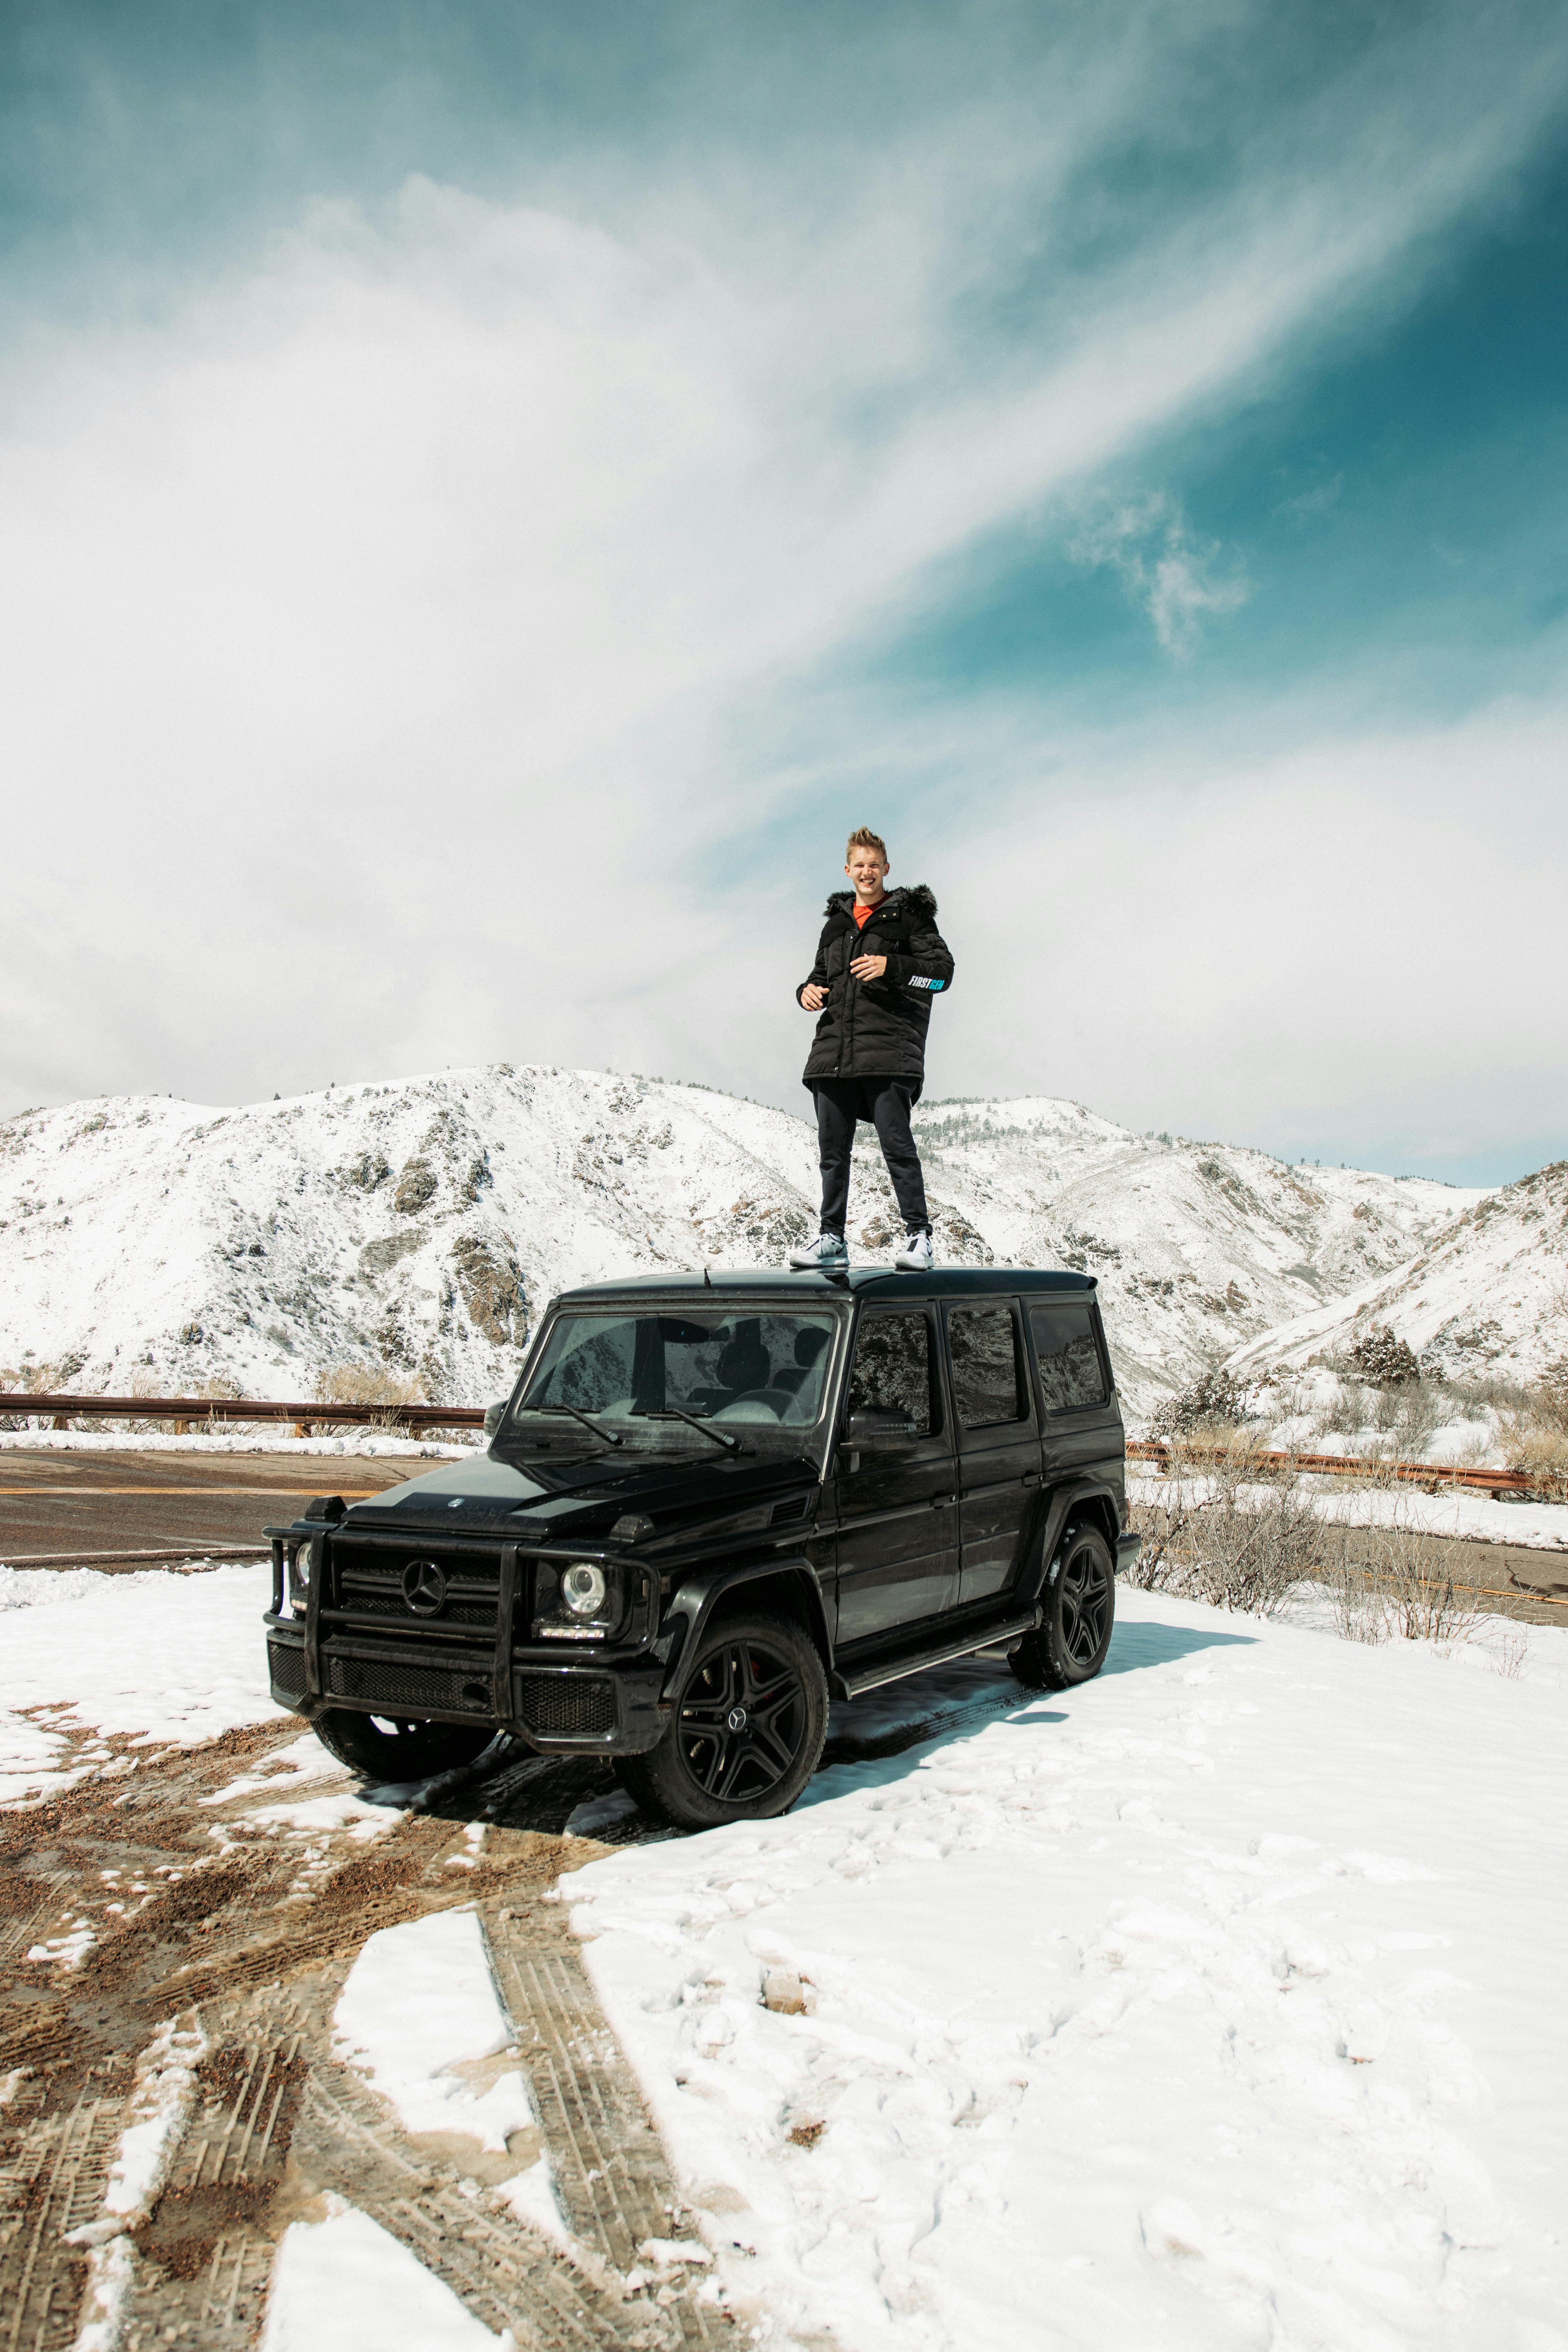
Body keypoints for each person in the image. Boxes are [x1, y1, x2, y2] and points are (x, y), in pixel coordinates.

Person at [789, 826, 954, 1274]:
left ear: (886, 868)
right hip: (832, 1055)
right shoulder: (836, 925)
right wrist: (806, 991)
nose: (866, 871)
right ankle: (831, 1238)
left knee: (896, 1146)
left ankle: (919, 1237)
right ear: (848, 870)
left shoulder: (910, 918)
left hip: (888, 1051)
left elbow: (941, 975)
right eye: (858, 865)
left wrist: (892, 965)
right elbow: (818, 977)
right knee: (831, 1152)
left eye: (873, 864)